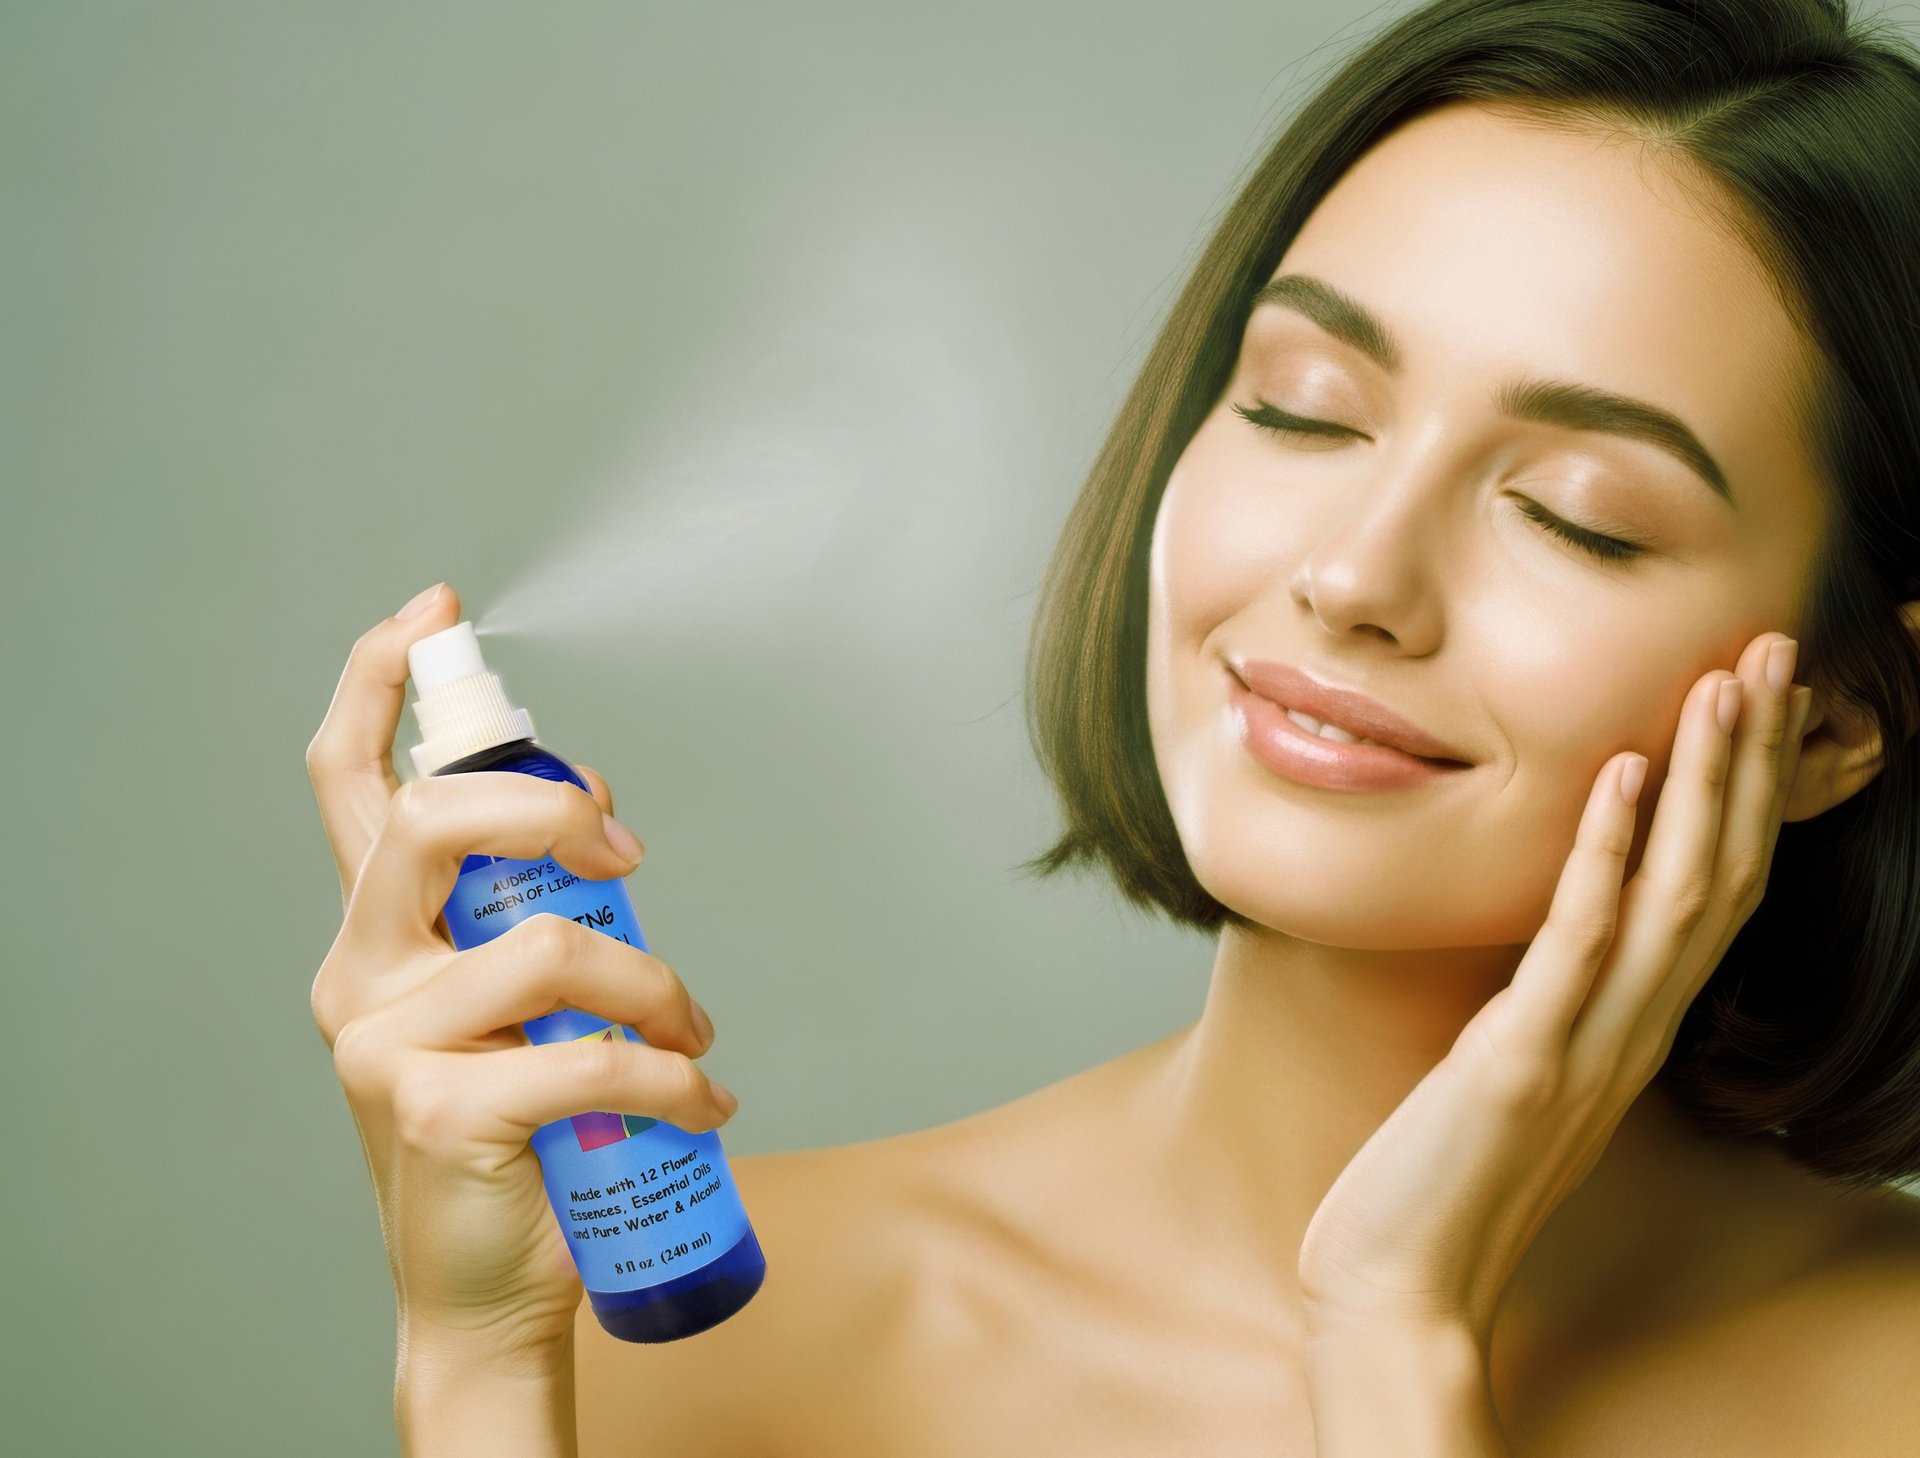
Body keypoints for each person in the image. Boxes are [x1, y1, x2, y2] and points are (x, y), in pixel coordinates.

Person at [306, 0, 1920, 1451]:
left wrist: (1396, 1340)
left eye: (1576, 514)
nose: (1354, 574)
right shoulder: (719, 1340)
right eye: (1302, 405)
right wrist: (484, 1366)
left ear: (1838, 720)